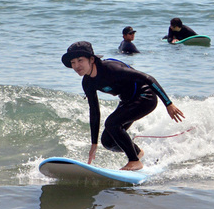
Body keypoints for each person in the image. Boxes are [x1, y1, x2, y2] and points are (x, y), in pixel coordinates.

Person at [61, 41, 185, 171]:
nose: (76, 66)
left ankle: (134, 161)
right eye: (73, 62)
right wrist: (94, 143)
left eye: (80, 60)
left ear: (91, 59)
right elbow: (94, 111)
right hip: (128, 101)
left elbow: (148, 78)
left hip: (145, 97)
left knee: (112, 123)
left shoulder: (111, 69)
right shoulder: (87, 82)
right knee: (108, 141)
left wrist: (168, 103)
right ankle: (136, 152)